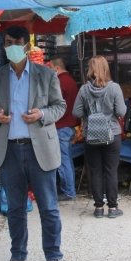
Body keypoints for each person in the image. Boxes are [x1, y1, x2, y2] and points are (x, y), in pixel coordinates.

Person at [0, 26, 66, 261]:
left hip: (39, 148)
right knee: (15, 208)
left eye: (15, 42)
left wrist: (42, 114)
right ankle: (18, 257)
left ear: (26, 46)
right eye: (7, 42)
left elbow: (60, 106)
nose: (10, 46)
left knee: (49, 207)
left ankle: (54, 258)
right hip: (9, 149)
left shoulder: (45, 75)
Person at [72, 56, 127, 218]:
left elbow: (76, 112)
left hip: (91, 135)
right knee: (111, 170)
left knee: (95, 171)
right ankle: (112, 208)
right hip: (113, 134)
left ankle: (98, 208)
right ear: (106, 68)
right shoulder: (114, 88)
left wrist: (90, 114)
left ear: (90, 69)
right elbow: (121, 112)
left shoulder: (84, 89)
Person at [49, 56, 79, 201]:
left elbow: (55, 105)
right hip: (69, 125)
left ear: (56, 68)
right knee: (66, 159)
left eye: (50, 68)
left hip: (61, 126)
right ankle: (69, 189)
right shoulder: (71, 81)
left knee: (63, 160)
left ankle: (68, 191)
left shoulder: (60, 82)